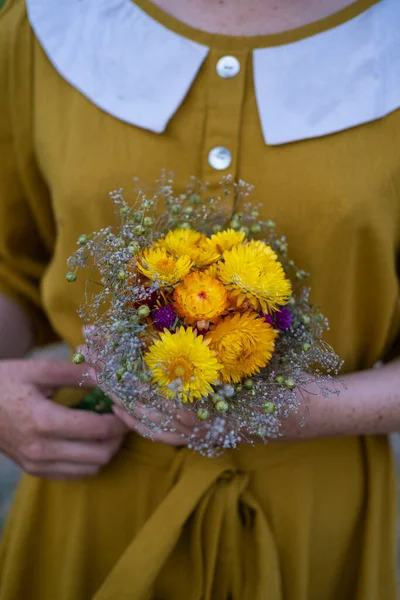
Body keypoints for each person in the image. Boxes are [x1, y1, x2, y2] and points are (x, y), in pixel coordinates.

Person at [0, 0, 399, 597]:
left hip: (312, 517)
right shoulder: (48, 26)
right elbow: (11, 271)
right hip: (90, 491)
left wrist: (304, 411)